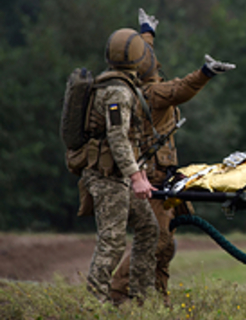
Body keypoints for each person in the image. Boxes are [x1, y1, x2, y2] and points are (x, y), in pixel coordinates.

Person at [109, 9, 236, 306]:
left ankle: (156, 295)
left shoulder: (135, 77)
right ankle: (117, 292)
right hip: (150, 179)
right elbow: (180, 89)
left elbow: (142, 55)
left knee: (164, 244)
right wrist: (205, 73)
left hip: (161, 177)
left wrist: (146, 31)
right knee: (157, 240)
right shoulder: (151, 93)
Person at [83, 27, 159, 304]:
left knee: (149, 229)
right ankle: (93, 307)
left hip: (119, 175)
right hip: (108, 177)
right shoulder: (118, 92)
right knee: (112, 243)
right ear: (135, 59)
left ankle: (140, 299)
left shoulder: (118, 83)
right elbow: (116, 137)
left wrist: (147, 34)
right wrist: (137, 177)